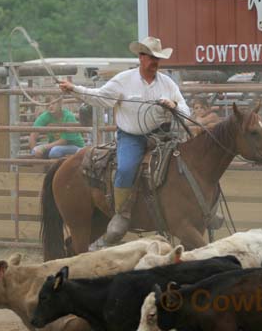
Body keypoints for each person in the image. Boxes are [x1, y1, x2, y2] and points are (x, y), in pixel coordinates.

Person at [59, 36, 190, 251]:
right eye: (151, 57)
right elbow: (100, 97)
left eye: (158, 57)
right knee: (127, 167)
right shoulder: (124, 80)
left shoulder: (168, 84)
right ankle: (122, 214)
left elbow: (186, 111)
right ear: (141, 57)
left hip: (163, 137)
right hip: (132, 137)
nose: (155, 61)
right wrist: (75, 89)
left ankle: (195, 209)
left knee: (186, 164)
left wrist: (174, 105)